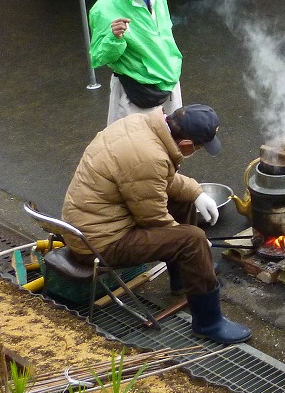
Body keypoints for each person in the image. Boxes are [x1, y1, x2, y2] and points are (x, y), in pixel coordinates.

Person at [60, 104, 250, 344]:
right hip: (99, 244)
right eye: (200, 147)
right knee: (192, 240)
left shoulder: (142, 126)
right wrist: (198, 246)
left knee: (185, 200)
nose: (198, 151)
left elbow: (158, 180)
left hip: (92, 224)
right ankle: (208, 322)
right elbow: (153, 218)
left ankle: (184, 280)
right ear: (186, 145)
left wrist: (196, 192)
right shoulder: (149, 157)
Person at [89, 0, 183, 126]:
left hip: (170, 81)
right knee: (136, 144)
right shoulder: (103, 9)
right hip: (137, 94)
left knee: (174, 140)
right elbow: (97, 57)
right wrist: (114, 38)